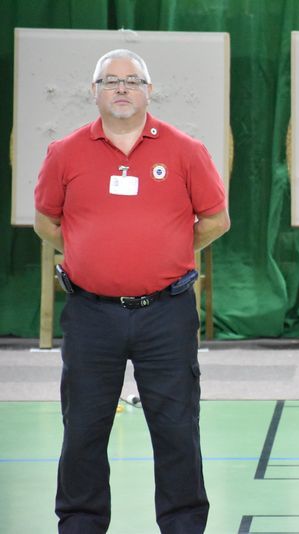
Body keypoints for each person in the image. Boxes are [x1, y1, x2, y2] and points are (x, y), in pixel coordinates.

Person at [33, 49, 230, 533]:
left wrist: (168, 251)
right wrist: (89, 253)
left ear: (149, 90)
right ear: (94, 91)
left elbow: (216, 220)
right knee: (83, 428)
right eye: (110, 80)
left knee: (176, 427)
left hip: (166, 313)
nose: (121, 88)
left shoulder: (186, 150)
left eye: (132, 80)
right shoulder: (65, 152)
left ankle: (183, 525)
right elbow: (46, 221)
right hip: (90, 315)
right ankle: (80, 524)